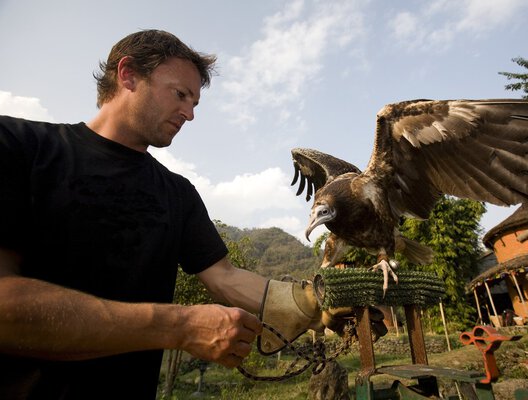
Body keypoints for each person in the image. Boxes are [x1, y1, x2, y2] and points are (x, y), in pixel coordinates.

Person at [0, 29, 331, 399]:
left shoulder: (177, 193)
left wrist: (314, 303)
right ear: (128, 74)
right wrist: (180, 326)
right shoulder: (19, 145)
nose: (189, 114)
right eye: (180, 94)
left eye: (195, 104)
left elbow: (225, 276)